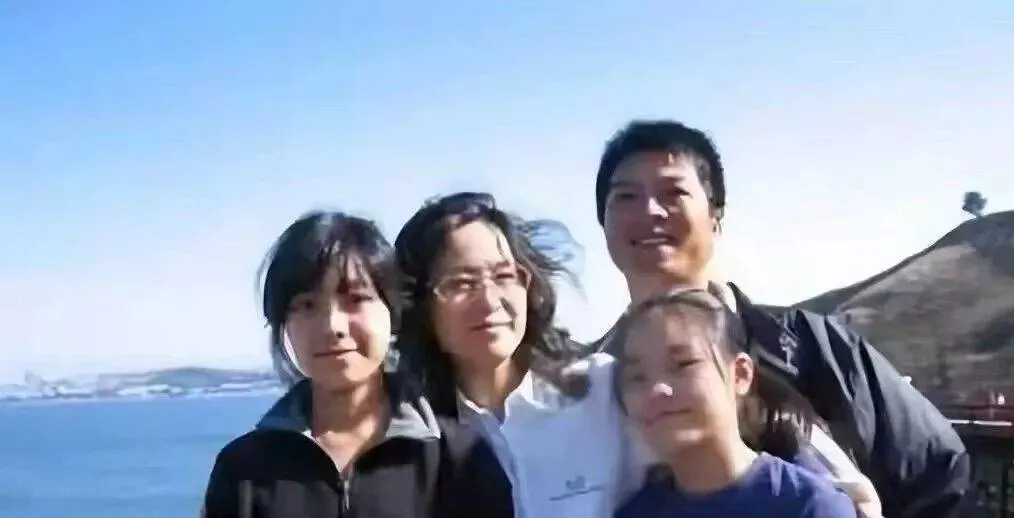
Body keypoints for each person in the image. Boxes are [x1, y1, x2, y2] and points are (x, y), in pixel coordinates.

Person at [592, 119, 970, 518]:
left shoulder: (813, 348)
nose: (650, 211)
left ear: (716, 220)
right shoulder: (589, 383)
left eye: (674, 192)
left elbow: (938, 474)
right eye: (626, 197)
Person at [201, 211, 513, 518]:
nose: (332, 326)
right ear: (283, 325)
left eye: (355, 299)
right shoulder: (243, 472)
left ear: (392, 312)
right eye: (307, 305)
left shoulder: (459, 458)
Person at [393, 192, 645, 518]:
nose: (489, 301)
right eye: (461, 283)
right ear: (419, 304)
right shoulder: (407, 437)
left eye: (504, 276)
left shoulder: (602, 390)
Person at [611, 290, 857, 518]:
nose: (656, 389)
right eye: (636, 377)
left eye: (683, 364)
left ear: (740, 374)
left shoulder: (809, 505)